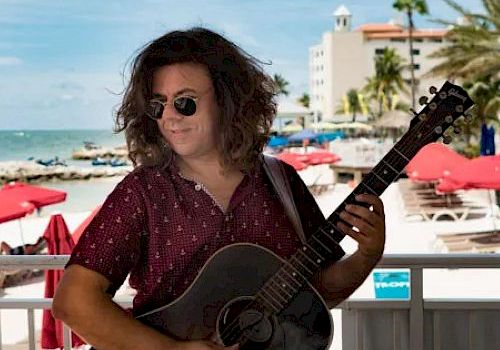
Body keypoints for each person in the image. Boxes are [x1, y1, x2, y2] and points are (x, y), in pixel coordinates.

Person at [52, 27, 385, 350]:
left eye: (185, 102)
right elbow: (73, 302)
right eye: (158, 105)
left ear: (228, 100)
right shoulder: (141, 193)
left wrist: (366, 257)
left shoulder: (281, 181)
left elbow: (313, 294)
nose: (169, 117)